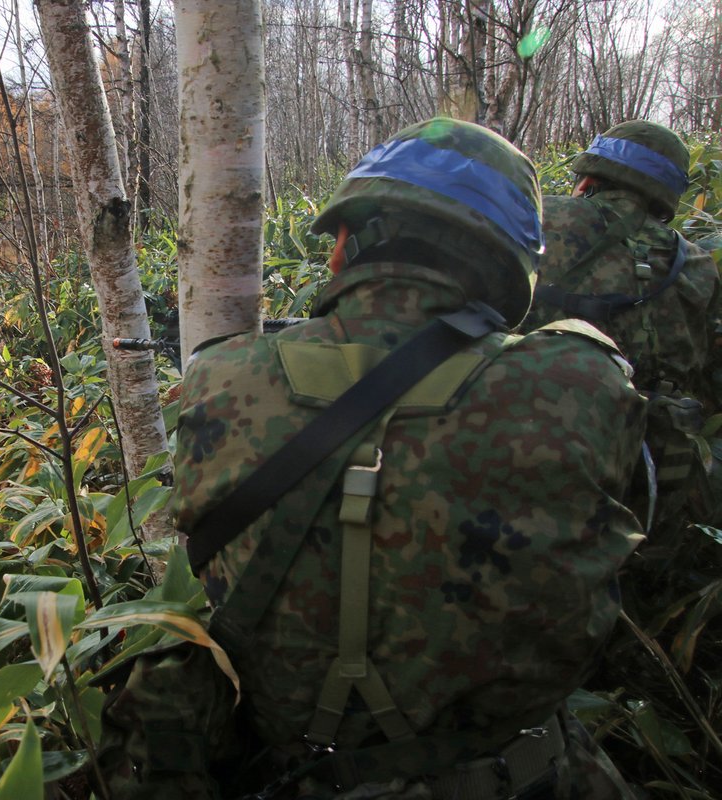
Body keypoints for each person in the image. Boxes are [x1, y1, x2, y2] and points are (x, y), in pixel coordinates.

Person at [100, 119, 646, 799]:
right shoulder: (581, 383)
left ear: (340, 251)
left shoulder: (221, 375)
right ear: (511, 270)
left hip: (294, 773)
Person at [522, 121, 722, 530]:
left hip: (535, 441)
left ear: (590, 175)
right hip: (657, 474)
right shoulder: (698, 264)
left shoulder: (537, 220)